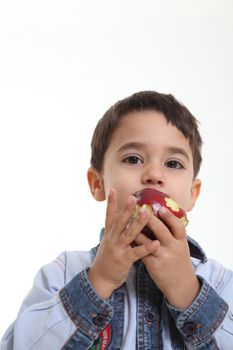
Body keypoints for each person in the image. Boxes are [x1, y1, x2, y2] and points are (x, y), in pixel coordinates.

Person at [1, 91, 233, 350]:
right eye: (133, 159)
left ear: (192, 194)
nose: (154, 174)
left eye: (173, 163)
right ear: (98, 184)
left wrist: (188, 293)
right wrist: (98, 281)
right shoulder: (62, 273)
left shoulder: (222, 283)